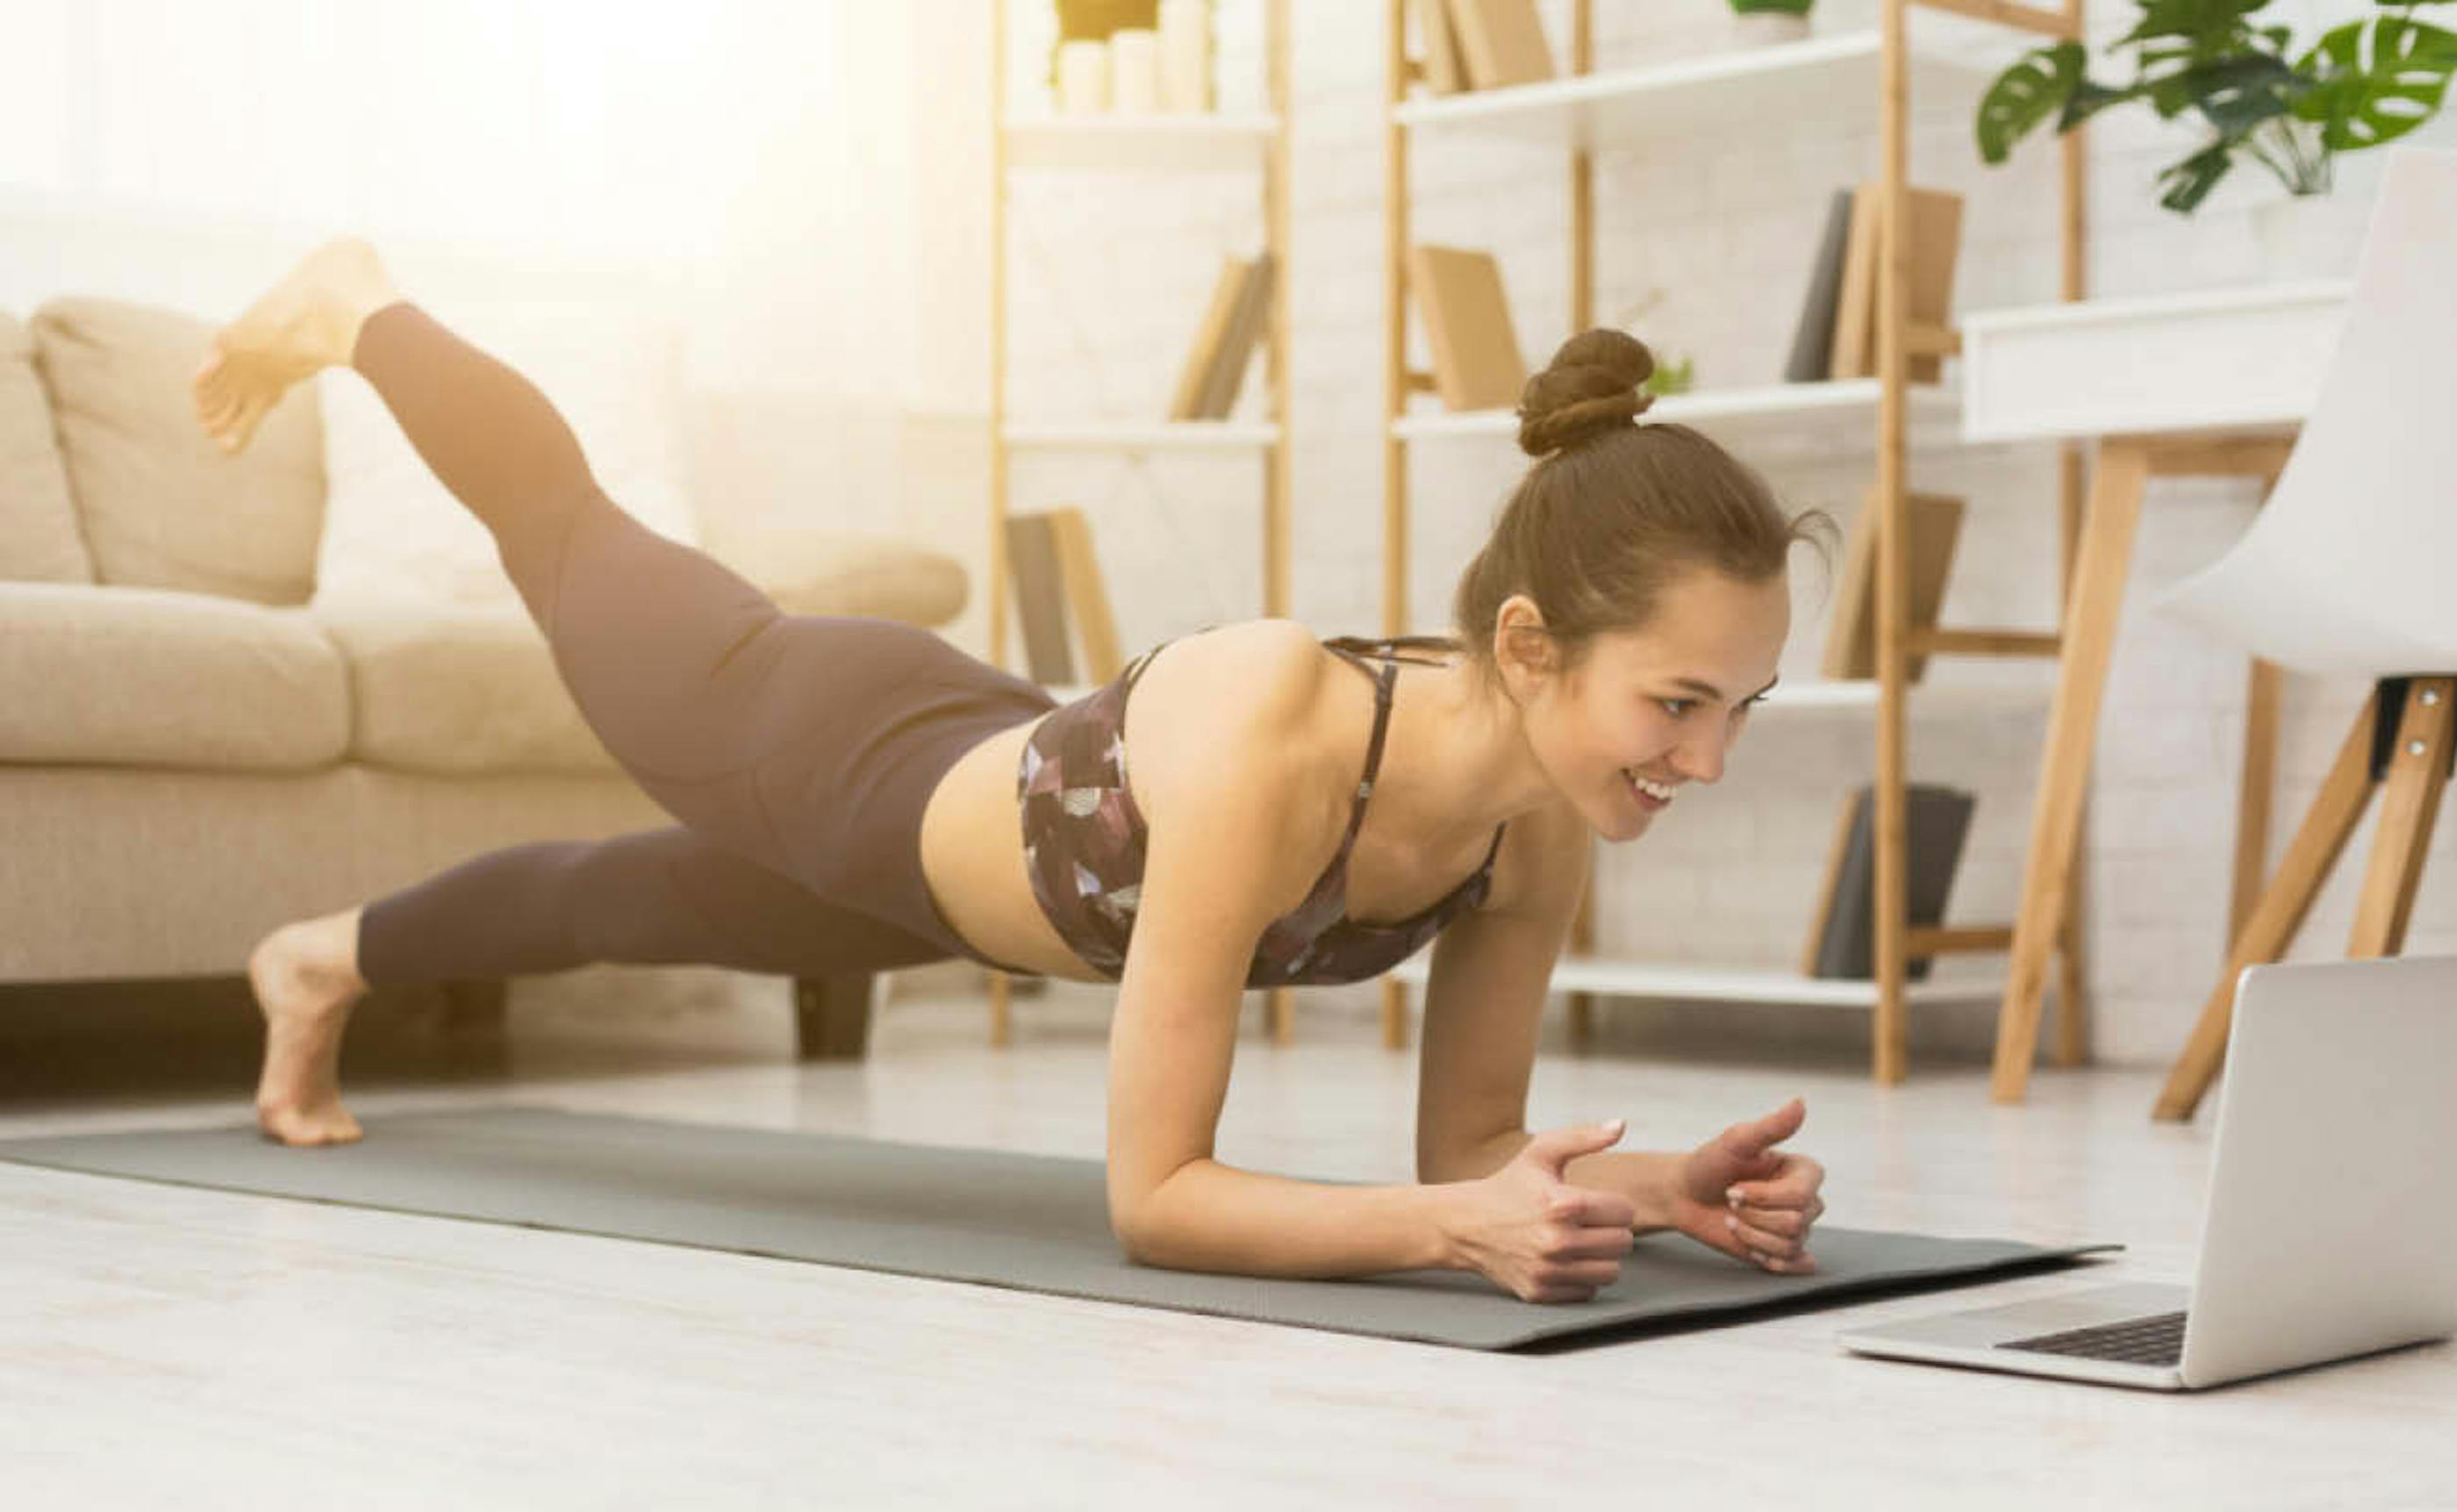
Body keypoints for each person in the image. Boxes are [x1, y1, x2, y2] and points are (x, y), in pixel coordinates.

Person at [195, 239, 1834, 1305]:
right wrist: (1447, 1237)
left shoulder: (1535, 827)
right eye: (1679, 702)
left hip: (954, 835)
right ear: (1537, 648)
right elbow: (1158, 1198)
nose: (1708, 757)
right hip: (822, 738)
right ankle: (361, 308)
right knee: (569, 534)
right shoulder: (1289, 733)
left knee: (623, 899)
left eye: (1742, 708)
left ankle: (316, 957)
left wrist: (1655, 1191)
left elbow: (1472, 1150)